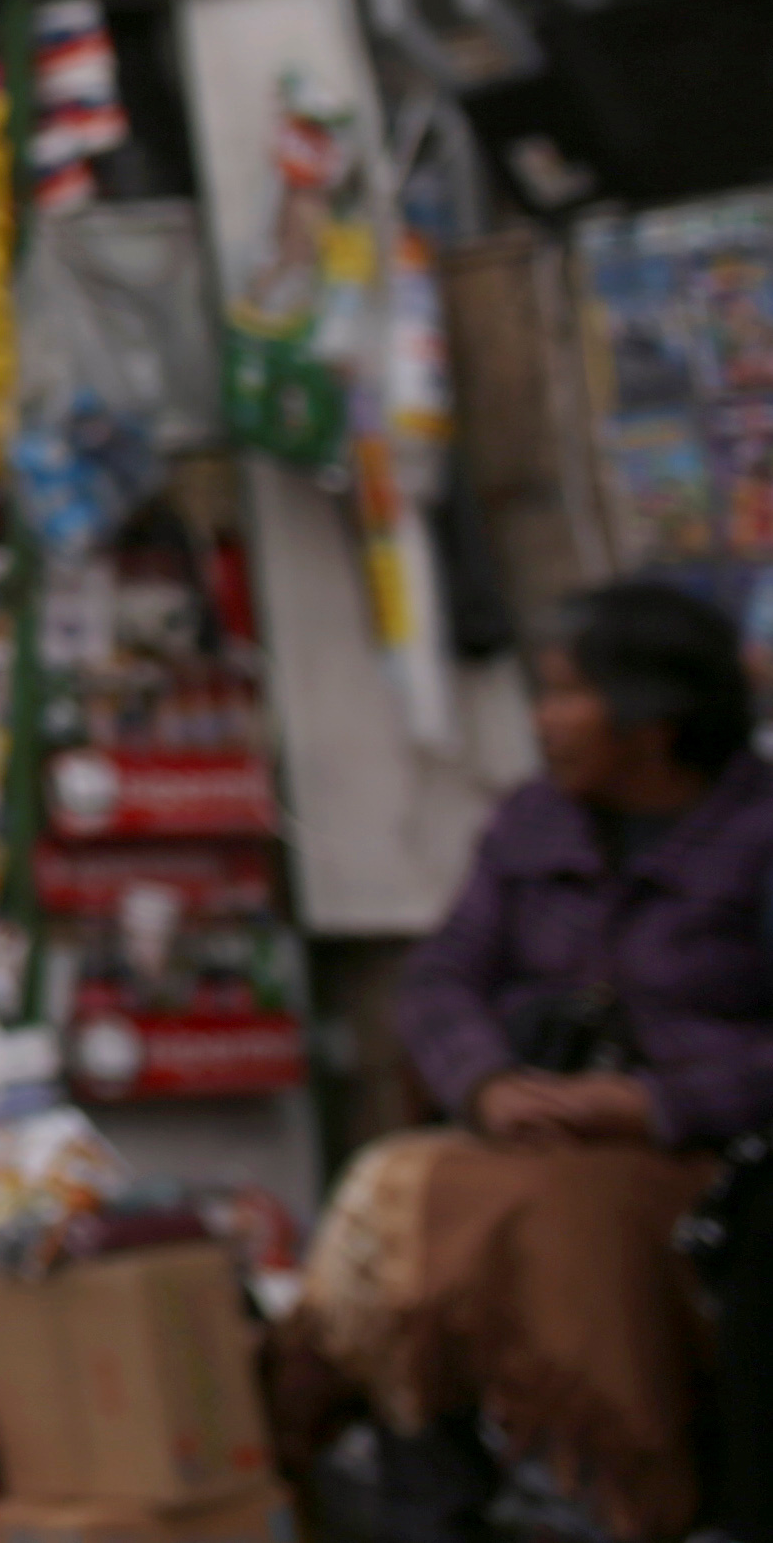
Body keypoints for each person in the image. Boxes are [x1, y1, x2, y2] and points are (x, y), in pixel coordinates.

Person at [281, 582, 773, 1541]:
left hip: (698, 1153)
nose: (543, 721)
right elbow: (439, 980)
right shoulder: (532, 824)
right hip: (527, 1129)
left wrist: (652, 1102)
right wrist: (489, 1082)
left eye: (565, 694)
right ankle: (430, 1486)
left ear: (652, 720)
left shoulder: (757, 836)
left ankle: (619, 1482)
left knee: (548, 1228)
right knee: (393, 1201)